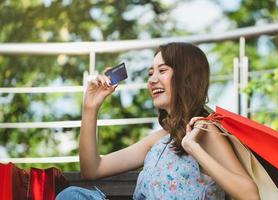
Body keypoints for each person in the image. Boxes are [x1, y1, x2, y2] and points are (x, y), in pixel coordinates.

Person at [56, 42, 260, 200]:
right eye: (151, 73)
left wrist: (193, 147)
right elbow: (92, 169)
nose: (152, 80)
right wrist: (90, 108)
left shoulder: (204, 132)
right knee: (73, 196)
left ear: (186, 77)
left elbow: (250, 195)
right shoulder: (157, 140)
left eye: (162, 71)